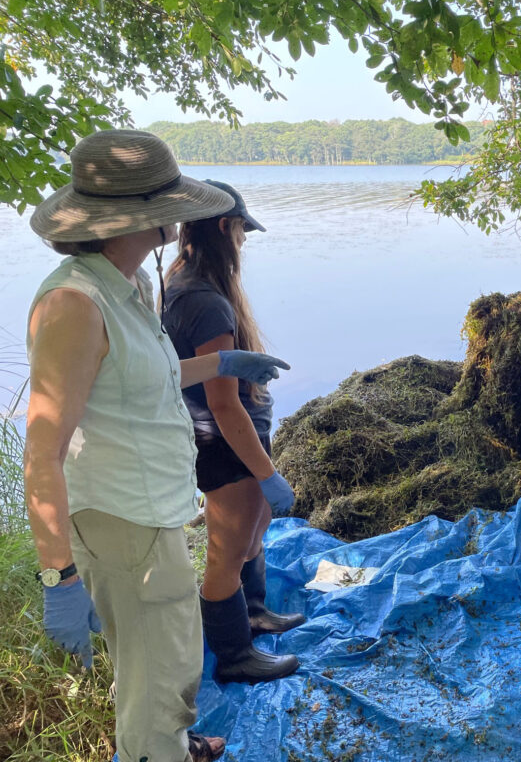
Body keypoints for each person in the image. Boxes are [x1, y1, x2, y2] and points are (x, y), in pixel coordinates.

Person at [23, 129, 291, 762]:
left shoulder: (132, 284)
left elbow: (145, 376)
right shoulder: (74, 303)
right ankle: (156, 749)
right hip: (123, 524)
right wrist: (57, 575)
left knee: (159, 663)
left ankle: (173, 740)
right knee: (159, 675)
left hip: (155, 511)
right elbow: (42, 451)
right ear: (141, 217)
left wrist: (223, 360)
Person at [162, 181, 303, 684]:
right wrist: (266, 474)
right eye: (243, 230)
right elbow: (223, 404)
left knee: (253, 529)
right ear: (224, 226)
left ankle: (255, 612)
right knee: (227, 552)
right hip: (224, 444)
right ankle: (234, 656)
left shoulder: (184, 280)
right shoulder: (205, 304)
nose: (245, 241)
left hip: (233, 440)